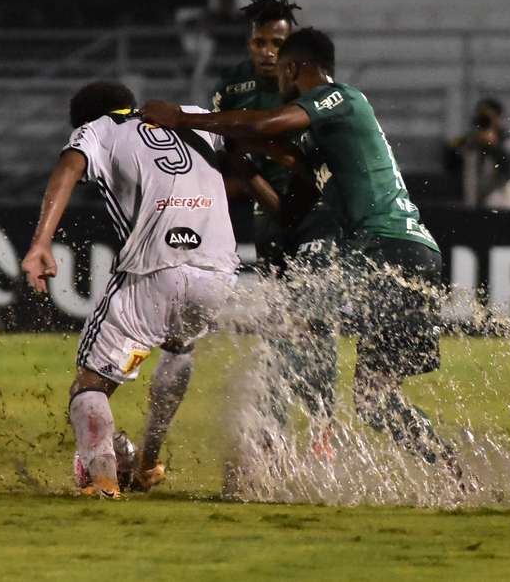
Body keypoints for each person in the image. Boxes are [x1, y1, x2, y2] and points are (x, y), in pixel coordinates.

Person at [144, 28, 465, 479]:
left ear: (295, 69)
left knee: (290, 320)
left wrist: (181, 117)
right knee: (374, 400)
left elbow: (263, 124)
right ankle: (453, 469)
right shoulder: (319, 149)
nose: (277, 79)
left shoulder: (344, 98)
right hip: (412, 260)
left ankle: (263, 458)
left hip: (390, 252)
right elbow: (289, 213)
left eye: (281, 71)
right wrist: (243, 166)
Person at [21, 82, 239, 498]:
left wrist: (41, 242)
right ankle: (148, 462)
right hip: (219, 275)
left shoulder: (99, 129)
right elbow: (241, 150)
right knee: (179, 347)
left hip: (155, 270)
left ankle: (104, 480)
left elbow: (69, 165)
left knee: (89, 385)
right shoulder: (188, 115)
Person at [212, 0, 341, 437]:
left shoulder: (309, 84)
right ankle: (277, 424)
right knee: (282, 319)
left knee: (316, 317)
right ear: (249, 43)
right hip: (267, 215)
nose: (267, 51)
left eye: (276, 42)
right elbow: (221, 148)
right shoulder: (232, 85)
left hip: (316, 212)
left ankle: (323, 421)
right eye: (259, 42)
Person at [449, 98, 510, 209]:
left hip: (502, 202)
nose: (485, 124)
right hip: (473, 202)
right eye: (482, 120)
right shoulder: (471, 141)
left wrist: (495, 147)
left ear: (499, 119)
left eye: (488, 119)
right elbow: (450, 165)